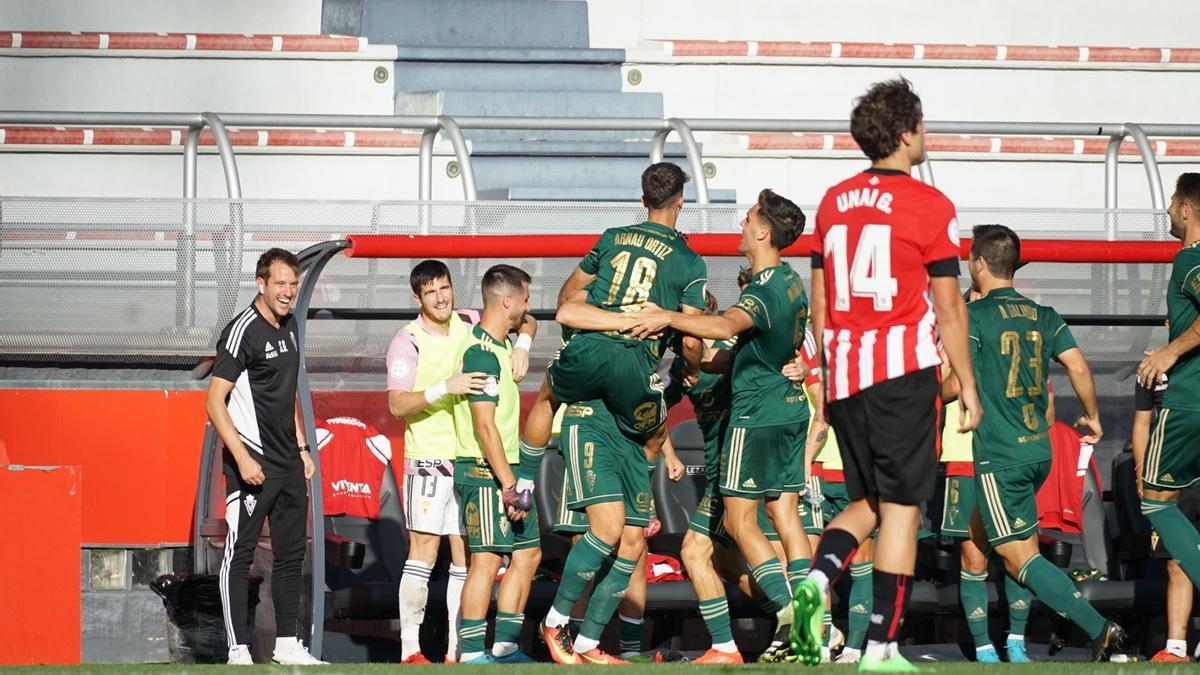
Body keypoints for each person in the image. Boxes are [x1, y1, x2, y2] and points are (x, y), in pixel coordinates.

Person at [790, 78, 982, 672]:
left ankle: (818, 581)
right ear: (905, 134)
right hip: (901, 370)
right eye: (922, 125)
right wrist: (969, 386)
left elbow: (819, 300)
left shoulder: (831, 200)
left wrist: (822, 375)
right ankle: (880, 647)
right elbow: (948, 306)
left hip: (845, 371)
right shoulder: (932, 205)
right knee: (902, 509)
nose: (927, 135)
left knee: (869, 501)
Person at [534, 163, 708, 664]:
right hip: (601, 413)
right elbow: (693, 340)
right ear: (681, 200)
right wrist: (687, 368)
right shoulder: (688, 262)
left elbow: (567, 298)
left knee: (633, 539)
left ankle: (588, 645)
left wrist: (603, 320)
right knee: (610, 529)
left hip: (627, 408)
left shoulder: (611, 238)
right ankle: (556, 624)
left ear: (642, 197)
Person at [629, 188, 813, 659]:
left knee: (742, 521)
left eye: (748, 217)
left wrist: (664, 315)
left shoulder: (764, 290)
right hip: (786, 409)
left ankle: (803, 623)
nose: (740, 224)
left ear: (763, 230)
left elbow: (726, 327)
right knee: (719, 542)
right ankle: (740, 645)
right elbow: (741, 352)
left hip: (756, 421)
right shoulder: (792, 282)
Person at [945, 224, 1127, 662]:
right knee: (1012, 546)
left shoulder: (974, 315)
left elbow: (953, 384)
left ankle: (1099, 629)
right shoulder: (1044, 314)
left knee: (1016, 558)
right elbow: (1079, 368)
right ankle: (1009, 647)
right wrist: (1093, 417)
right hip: (1038, 451)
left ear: (979, 264)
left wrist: (920, 397)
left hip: (999, 454)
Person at [385, 260, 535, 663]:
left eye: (445, 287)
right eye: (431, 291)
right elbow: (397, 405)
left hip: (468, 456)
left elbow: (524, 316)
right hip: (429, 456)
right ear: (417, 298)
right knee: (424, 551)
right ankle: (411, 650)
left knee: (467, 557)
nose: (441, 297)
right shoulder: (407, 340)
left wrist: (523, 345)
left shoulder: (470, 321)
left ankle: (457, 650)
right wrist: (442, 388)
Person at [205, 248, 325, 666]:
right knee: (240, 554)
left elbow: (287, 391)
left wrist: (303, 448)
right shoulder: (243, 331)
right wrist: (241, 458)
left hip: (289, 463)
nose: (288, 292)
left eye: (293, 284)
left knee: (292, 555)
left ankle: (288, 645)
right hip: (253, 463)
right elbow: (215, 401)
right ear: (261, 283)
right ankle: (237, 650)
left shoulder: (290, 325)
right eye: (280, 283)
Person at [449, 264, 542, 664]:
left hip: (510, 469)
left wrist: (523, 342)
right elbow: (484, 428)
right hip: (485, 472)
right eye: (524, 298)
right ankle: (471, 654)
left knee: (529, 554)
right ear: (507, 301)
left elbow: (532, 322)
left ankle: (505, 647)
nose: (528, 306)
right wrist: (509, 486)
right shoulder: (480, 354)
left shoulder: (502, 344)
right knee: (486, 560)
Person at [1139, 173, 1200, 639]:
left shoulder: (1189, 260)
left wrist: (1169, 352)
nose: (1167, 210)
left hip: (1189, 403)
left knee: (1155, 501)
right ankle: (1177, 644)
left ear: (1186, 209)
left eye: (1172, 201)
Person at [1132, 363, 1197, 663]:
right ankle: (1176, 647)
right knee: (1176, 561)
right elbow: (1143, 423)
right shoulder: (1151, 369)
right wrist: (1142, 472)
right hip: (1172, 481)